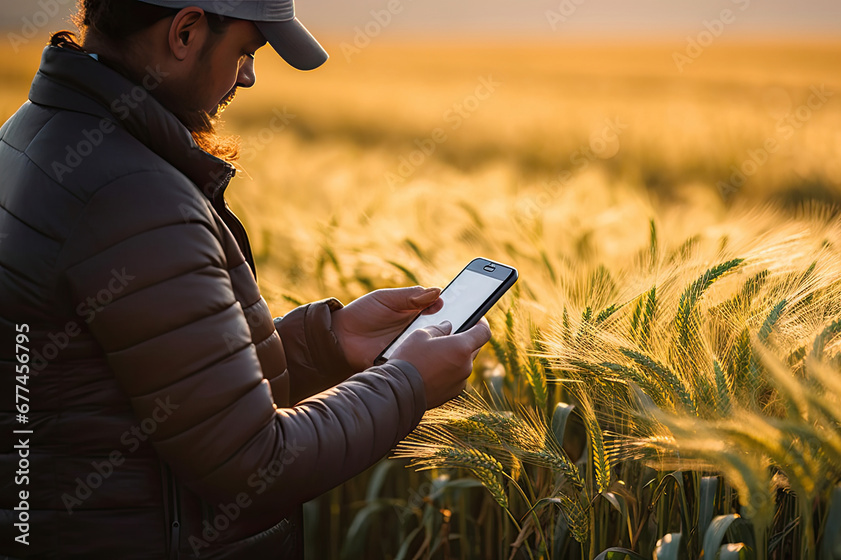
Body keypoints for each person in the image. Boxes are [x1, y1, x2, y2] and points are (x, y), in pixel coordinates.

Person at [0, 1, 491, 558]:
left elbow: (146, 377)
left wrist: (325, 343)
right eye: (246, 51)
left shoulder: (33, 132)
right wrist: (406, 384)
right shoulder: (135, 198)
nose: (249, 77)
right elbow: (253, 465)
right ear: (185, 31)